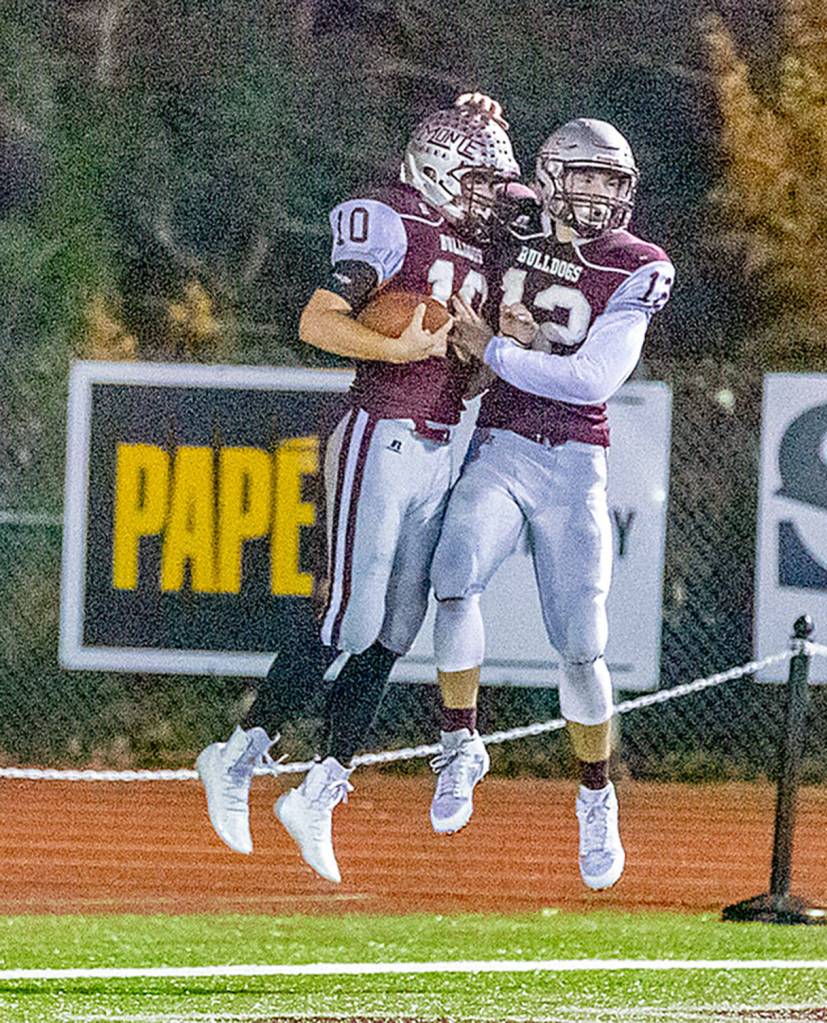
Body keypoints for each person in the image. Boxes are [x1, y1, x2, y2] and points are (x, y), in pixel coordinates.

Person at [196, 103, 521, 883]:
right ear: (437, 168)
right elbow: (317, 320)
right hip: (381, 427)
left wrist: (480, 357)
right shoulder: (389, 218)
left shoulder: (477, 245)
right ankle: (238, 753)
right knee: (349, 615)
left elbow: (469, 357)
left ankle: (321, 787)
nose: (486, 197)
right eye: (475, 179)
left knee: (399, 627)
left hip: (443, 443)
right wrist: (392, 345)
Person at [427, 116, 674, 891]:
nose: (599, 192)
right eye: (586, 175)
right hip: (502, 444)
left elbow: (592, 380)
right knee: (455, 568)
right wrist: (476, 116)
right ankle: (461, 739)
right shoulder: (516, 227)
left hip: (574, 464)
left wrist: (497, 349)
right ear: (552, 175)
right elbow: (458, 174)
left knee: (581, 644)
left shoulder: (639, 265)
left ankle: (596, 795)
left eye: (612, 179)